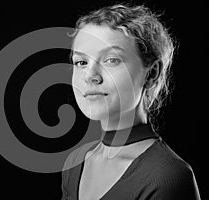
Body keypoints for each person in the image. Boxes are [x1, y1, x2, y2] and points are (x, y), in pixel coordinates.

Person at [61, 3, 201, 200]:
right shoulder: (75, 163)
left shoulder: (167, 176)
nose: (90, 75)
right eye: (81, 62)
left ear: (151, 74)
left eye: (111, 59)